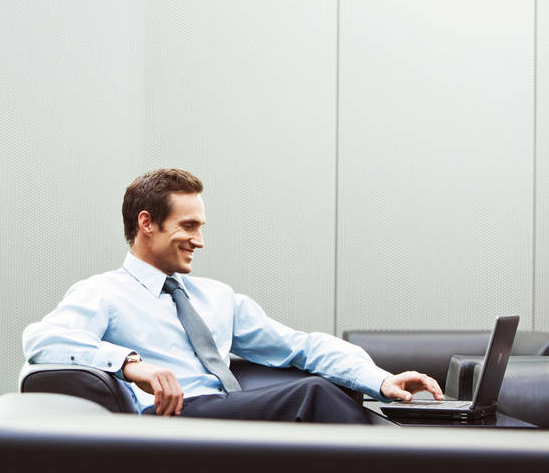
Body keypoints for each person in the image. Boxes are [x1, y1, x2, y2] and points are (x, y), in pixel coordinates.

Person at [22, 168, 443, 423]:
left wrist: (381, 380)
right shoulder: (103, 292)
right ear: (146, 223)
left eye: (200, 227)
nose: (199, 241)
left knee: (318, 383)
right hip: (165, 421)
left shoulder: (216, 297)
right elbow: (43, 339)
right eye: (188, 226)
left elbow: (302, 346)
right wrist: (131, 365)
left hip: (225, 413)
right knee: (312, 395)